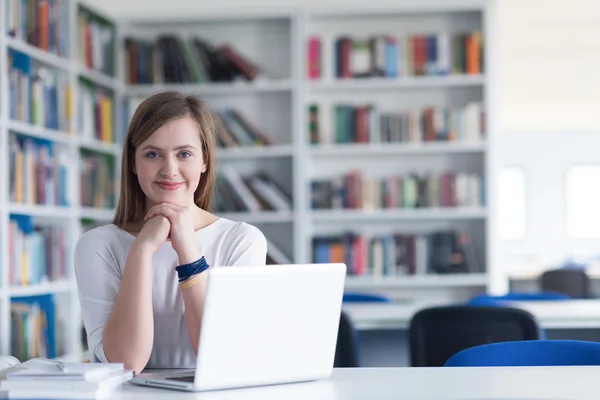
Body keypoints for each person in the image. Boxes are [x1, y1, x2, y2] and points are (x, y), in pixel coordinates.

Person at [74, 91, 267, 374]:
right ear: (132, 162)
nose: (170, 169)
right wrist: (141, 252)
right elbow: (126, 363)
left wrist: (188, 253)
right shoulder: (97, 245)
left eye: (184, 154)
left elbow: (222, 356)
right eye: (153, 154)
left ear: (204, 161)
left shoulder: (241, 241)